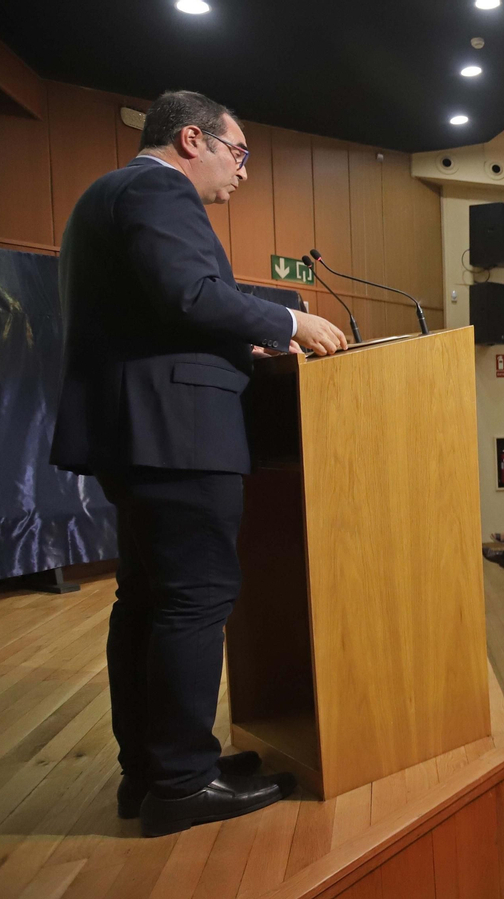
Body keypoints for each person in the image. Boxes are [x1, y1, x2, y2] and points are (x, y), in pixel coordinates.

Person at [48, 90, 353, 834]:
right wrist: (289, 319)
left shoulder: (106, 194)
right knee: (194, 597)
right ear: (194, 139)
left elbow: (162, 307)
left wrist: (238, 338)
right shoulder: (156, 187)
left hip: (141, 428)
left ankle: (154, 769)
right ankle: (181, 782)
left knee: (148, 600)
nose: (244, 172)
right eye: (240, 153)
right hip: (176, 428)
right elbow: (191, 294)